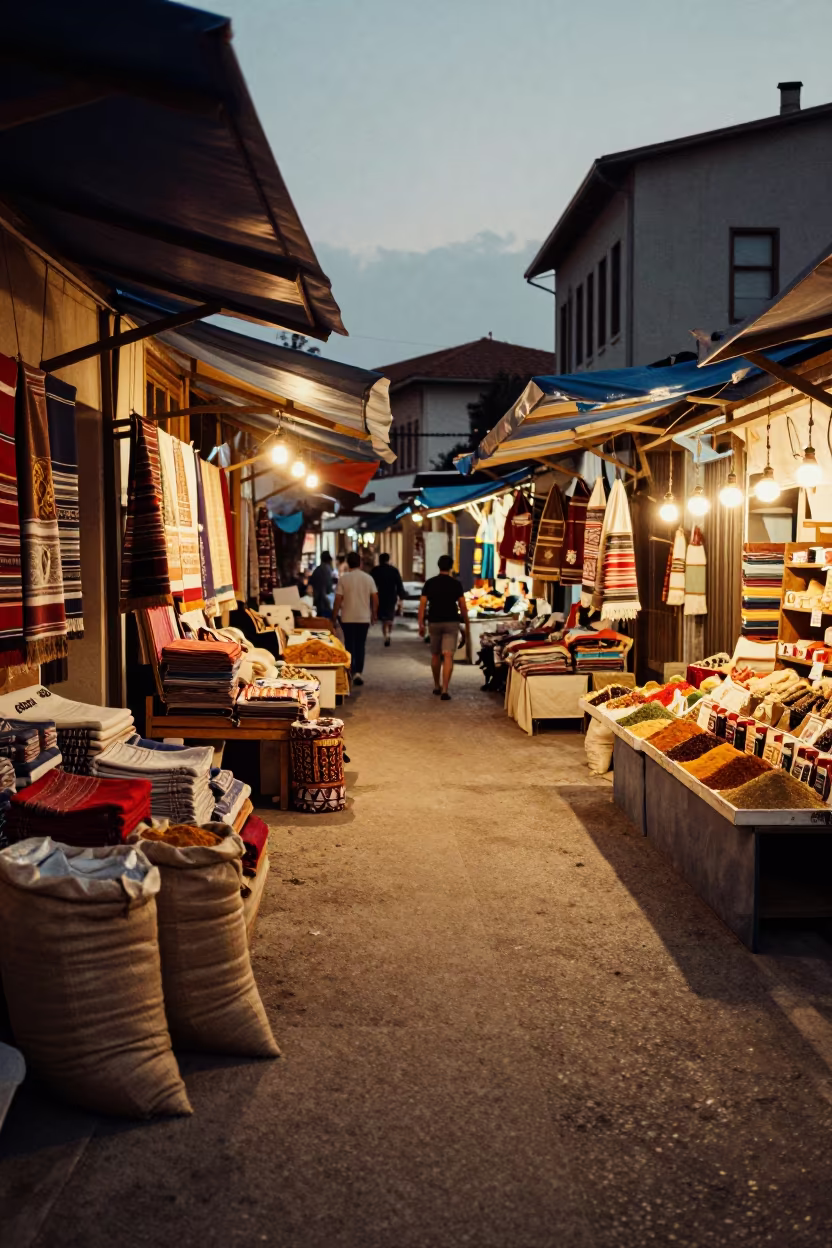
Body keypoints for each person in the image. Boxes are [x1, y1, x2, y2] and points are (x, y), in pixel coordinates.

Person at [418, 554, 469, 701]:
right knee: (448, 655)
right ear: (451, 567)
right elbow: (463, 606)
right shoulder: (456, 584)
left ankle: (436, 685)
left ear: (438, 566)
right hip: (451, 622)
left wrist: (420, 624)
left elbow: (422, 605)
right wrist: (466, 623)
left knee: (435, 655)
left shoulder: (430, 583)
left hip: (434, 622)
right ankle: (445, 690)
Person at [333, 550, 378, 686]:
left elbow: (338, 599)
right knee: (360, 645)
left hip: (347, 617)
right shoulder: (368, 578)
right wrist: (374, 613)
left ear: (348, 563)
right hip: (363, 618)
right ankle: (358, 672)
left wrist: (334, 616)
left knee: (349, 644)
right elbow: (375, 597)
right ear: (360, 563)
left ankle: (351, 671)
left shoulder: (343, 579)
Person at [371, 552, 405, 646]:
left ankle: (385, 635)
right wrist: (401, 596)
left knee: (383, 619)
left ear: (380, 560)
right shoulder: (394, 570)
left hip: (380, 596)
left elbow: (371, 584)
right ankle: (389, 634)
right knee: (390, 617)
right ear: (388, 560)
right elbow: (399, 584)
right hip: (391, 596)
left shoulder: (375, 570)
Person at [310, 551, 334, 618]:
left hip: (318, 601)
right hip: (325, 602)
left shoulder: (317, 570)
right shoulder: (327, 569)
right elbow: (328, 588)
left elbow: (311, 584)